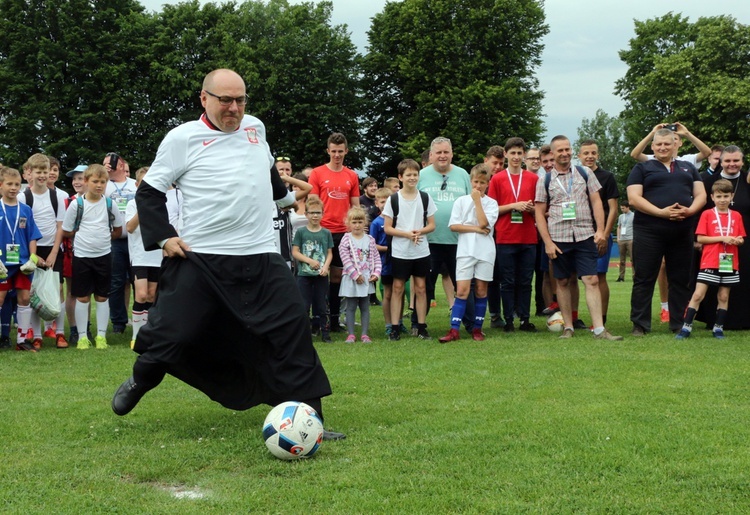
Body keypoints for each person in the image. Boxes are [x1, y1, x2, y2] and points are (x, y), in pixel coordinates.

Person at [110, 69, 344, 441]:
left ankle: (308, 419)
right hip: (202, 257)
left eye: (240, 100)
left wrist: (285, 199)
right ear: (204, 99)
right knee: (175, 333)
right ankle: (140, 381)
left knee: (293, 328)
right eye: (225, 100)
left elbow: (265, 168)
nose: (234, 108)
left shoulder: (256, 128)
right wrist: (165, 238)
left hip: (261, 255)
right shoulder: (181, 138)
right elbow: (149, 193)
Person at [534, 135, 622, 341]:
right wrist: (547, 242)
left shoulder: (585, 173)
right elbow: (539, 213)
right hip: (559, 237)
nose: (565, 153)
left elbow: (596, 202)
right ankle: (568, 328)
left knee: (591, 279)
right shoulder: (544, 180)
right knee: (562, 281)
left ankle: (599, 329)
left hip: (584, 234)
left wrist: (600, 230)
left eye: (567, 149)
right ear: (552, 154)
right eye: (560, 150)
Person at [626, 127, 706, 335]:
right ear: (653, 147)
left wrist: (690, 211)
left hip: (681, 230)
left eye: (667, 144)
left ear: (675, 145)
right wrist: (661, 213)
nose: (663, 148)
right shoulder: (642, 168)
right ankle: (640, 324)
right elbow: (634, 198)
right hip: (649, 230)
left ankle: (678, 323)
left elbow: (701, 196)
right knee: (644, 278)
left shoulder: (688, 167)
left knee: (680, 278)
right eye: (659, 144)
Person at [62, 164, 123, 349]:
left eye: (103, 182)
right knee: (82, 297)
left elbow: (118, 230)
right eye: (95, 181)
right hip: (81, 255)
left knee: (102, 297)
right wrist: (84, 236)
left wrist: (102, 238)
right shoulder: (77, 204)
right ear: (86, 182)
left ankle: (101, 337)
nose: (99, 185)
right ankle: (82, 336)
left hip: (104, 255)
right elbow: (66, 230)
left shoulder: (109, 203)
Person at [675, 179, 745, 340]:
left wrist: (738, 241)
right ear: (712, 197)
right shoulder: (707, 214)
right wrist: (723, 238)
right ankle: (686, 327)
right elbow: (701, 238)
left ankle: (718, 328)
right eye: (719, 196)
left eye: (726, 196)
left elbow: (741, 237)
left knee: (723, 296)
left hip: (729, 261)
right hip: (710, 260)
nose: (722, 200)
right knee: (698, 295)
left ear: (731, 196)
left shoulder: (736, 216)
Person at [439, 163, 498, 342]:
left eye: (482, 182)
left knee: (481, 289)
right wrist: (476, 229)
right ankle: (454, 330)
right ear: (470, 181)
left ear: (488, 183)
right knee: (463, 290)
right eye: (475, 182)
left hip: (485, 252)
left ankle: (477, 329)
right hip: (465, 251)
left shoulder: (492, 203)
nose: (478, 186)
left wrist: (478, 202)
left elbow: (484, 223)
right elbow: (454, 226)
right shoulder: (460, 201)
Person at [308, 133, 360, 333]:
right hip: (322, 232)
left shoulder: (351, 176)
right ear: (328, 151)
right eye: (333, 151)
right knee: (318, 275)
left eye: (340, 151)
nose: (337, 155)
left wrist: (356, 229)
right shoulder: (317, 173)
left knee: (338, 276)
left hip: (343, 233)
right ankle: (318, 320)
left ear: (346, 151)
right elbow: (313, 203)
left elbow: (355, 207)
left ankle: (335, 318)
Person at [417, 137, 472, 324]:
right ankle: (419, 324)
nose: (442, 156)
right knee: (425, 286)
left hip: (459, 241)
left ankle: (470, 323)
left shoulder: (463, 174)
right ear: (431, 155)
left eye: (446, 152)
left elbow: (472, 203)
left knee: (463, 284)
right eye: (438, 152)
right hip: (429, 240)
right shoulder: (421, 175)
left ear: (452, 154)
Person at [695, 145, 750, 329]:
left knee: (742, 283)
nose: (732, 164)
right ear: (720, 161)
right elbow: (700, 211)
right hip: (714, 245)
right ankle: (714, 321)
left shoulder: (747, 182)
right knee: (713, 285)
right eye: (727, 160)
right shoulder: (708, 181)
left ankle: (742, 321)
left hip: (743, 243)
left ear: (742, 162)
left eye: (736, 160)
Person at [487, 137, 538, 333]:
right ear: (506, 154)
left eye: (519, 153)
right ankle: (508, 319)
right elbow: (492, 210)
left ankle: (524, 319)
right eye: (513, 153)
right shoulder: (498, 179)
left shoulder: (533, 179)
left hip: (528, 237)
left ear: (524, 155)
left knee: (525, 281)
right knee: (506, 281)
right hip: (505, 237)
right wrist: (513, 206)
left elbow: (541, 209)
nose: (516, 157)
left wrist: (532, 209)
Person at [383, 159, 436, 341]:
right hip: (400, 251)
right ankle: (395, 328)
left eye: (415, 174)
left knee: (421, 288)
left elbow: (432, 225)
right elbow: (387, 228)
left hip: (421, 250)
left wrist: (419, 231)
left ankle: (421, 327)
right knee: (398, 287)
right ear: (401, 177)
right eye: (409, 175)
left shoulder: (425, 197)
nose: (412, 178)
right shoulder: (393, 199)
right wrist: (406, 234)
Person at [19, 153, 66, 349]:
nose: (42, 176)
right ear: (29, 172)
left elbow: (60, 226)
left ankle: (60, 333)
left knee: (57, 290)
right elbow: (25, 227)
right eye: (38, 172)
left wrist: (55, 252)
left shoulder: (58, 195)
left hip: (53, 247)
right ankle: (36, 335)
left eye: (45, 172)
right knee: (34, 291)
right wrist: (33, 254)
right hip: (33, 249)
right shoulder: (24, 196)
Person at [0, 167, 42, 351]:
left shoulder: (25, 209)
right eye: (9, 184)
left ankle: (22, 340)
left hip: (23, 262)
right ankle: (2, 337)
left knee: (24, 298)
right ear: (1, 185)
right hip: (2, 263)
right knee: (0, 298)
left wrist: (32, 258)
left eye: (17, 184)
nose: (13, 188)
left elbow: (32, 236)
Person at [578, 139, 620, 325]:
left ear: (598, 155)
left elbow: (613, 209)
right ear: (579, 156)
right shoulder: (574, 176)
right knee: (575, 278)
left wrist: (604, 233)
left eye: (593, 153)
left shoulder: (607, 177)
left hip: (599, 234)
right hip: (578, 234)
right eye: (586, 153)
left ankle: (600, 320)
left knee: (599, 276)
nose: (590, 156)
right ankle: (573, 318)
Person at [125, 167, 163, 349]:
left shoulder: (160, 204)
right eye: (144, 183)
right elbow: (130, 227)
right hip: (140, 256)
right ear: (137, 184)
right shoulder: (133, 203)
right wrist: (144, 205)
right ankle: (136, 336)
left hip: (156, 256)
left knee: (151, 296)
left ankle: (149, 334)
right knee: (140, 294)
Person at [292, 196, 334, 343]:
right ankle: (304, 334)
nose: (315, 215)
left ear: (323, 213)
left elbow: (329, 253)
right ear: (306, 214)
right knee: (304, 305)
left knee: (322, 304)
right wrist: (309, 261)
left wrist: (326, 267)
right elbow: (295, 252)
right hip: (304, 274)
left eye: (318, 212)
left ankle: (325, 333)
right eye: (312, 212)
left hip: (321, 274)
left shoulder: (326, 233)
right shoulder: (301, 232)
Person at [103, 152, 136, 334]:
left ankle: (142, 318)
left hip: (135, 240)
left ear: (121, 165)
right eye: (104, 164)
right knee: (116, 282)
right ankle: (118, 322)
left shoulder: (135, 185)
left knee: (137, 280)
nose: (107, 166)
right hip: (114, 241)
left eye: (110, 163)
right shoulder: (104, 186)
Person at [339, 206, 381, 343]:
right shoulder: (346, 240)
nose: (357, 225)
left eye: (360, 222)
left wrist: (376, 273)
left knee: (365, 306)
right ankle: (351, 334)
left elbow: (375, 258)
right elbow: (345, 259)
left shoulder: (370, 240)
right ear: (348, 223)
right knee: (350, 306)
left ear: (365, 223)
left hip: (366, 278)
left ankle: (364, 334)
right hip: (351, 278)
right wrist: (355, 275)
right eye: (354, 222)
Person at [63, 164, 88, 345]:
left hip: (93, 252)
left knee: (88, 291)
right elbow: (64, 229)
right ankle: (73, 329)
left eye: (80, 178)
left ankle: (85, 327)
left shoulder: (102, 200)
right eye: (75, 179)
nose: (77, 182)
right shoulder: (68, 201)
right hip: (72, 252)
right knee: (72, 291)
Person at [630, 122, 711, 167]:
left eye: (675, 139)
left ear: (680, 143)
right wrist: (653, 133)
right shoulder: (653, 159)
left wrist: (687, 134)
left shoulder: (687, 160)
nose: (673, 142)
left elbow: (707, 153)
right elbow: (635, 155)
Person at [616, 201, 634, 282]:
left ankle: (635, 276)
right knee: (622, 260)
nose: (622, 209)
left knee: (633, 259)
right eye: (621, 208)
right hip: (622, 239)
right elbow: (619, 227)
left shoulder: (634, 215)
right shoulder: (621, 216)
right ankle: (621, 277)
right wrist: (618, 238)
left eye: (623, 208)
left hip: (630, 239)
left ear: (627, 207)